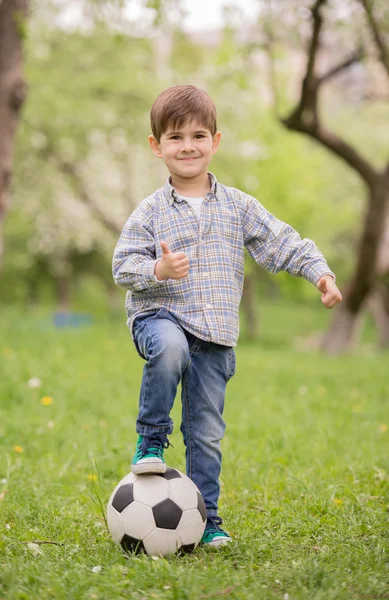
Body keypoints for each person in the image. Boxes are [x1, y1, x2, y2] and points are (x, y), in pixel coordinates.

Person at [112, 84, 342, 547]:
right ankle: (151, 440)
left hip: (216, 337)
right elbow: (122, 265)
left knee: (207, 434)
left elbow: (281, 241)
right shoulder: (151, 212)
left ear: (215, 141)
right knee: (171, 349)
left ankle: (207, 518)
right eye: (175, 138)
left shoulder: (237, 206)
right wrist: (158, 269)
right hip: (161, 318)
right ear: (157, 147)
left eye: (198, 135)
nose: (188, 146)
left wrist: (318, 272)